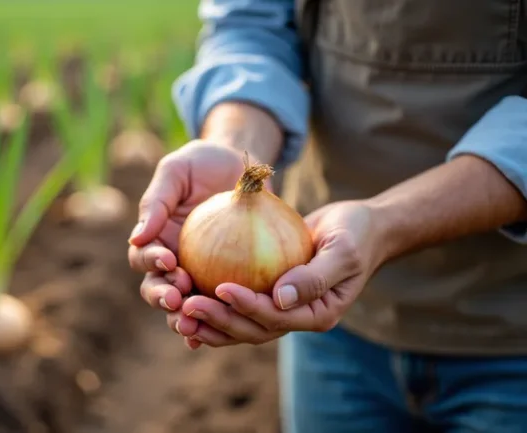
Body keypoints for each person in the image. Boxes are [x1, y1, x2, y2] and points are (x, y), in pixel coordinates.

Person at [127, 0, 527, 432]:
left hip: (511, 334)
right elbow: (251, 23)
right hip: (334, 335)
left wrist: (386, 222)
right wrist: (234, 143)